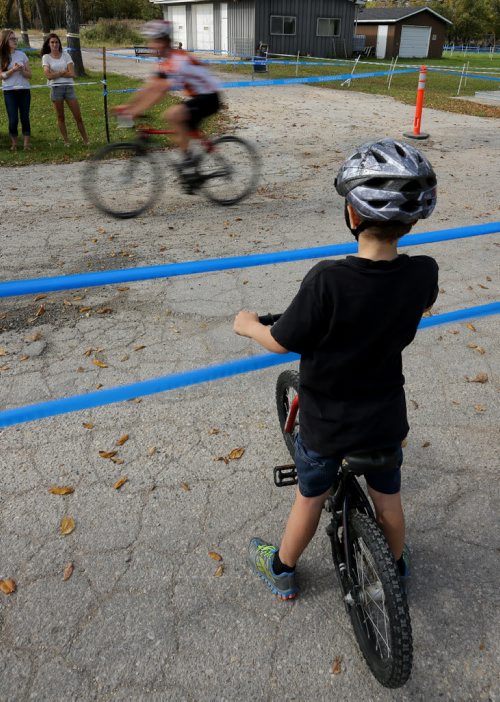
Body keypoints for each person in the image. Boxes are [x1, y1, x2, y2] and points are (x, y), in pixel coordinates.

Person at [234, 138, 439, 600]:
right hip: (385, 417)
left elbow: (280, 340)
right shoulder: (423, 272)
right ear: (411, 222)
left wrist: (248, 326)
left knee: (310, 496)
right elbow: (422, 305)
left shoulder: (328, 279)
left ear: (352, 214)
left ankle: (283, 569)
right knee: (388, 496)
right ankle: (396, 564)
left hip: (328, 424)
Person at [115, 20, 221, 175]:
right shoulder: (164, 62)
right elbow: (149, 87)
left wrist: (135, 111)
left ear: (164, 41)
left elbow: (160, 91)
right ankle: (191, 167)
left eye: (154, 41)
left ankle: (188, 161)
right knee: (179, 124)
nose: (150, 45)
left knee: (172, 115)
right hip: (198, 96)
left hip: (210, 97)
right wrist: (129, 106)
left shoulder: (177, 60)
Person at [41, 33, 89, 147]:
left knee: (78, 116)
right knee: (60, 116)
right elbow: (48, 75)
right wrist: (61, 72)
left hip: (69, 87)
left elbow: (72, 73)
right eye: (52, 42)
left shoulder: (66, 55)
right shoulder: (46, 57)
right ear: (48, 44)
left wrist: (56, 74)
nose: (55, 44)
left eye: (56, 42)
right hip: (56, 88)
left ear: (59, 43)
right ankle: (66, 141)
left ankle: (86, 140)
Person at [0, 29, 32, 150]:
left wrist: (22, 71)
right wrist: (12, 70)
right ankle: (14, 143)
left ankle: (26, 144)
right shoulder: (1, 56)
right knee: (13, 118)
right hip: (9, 92)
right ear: (5, 41)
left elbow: (30, 75)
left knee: (25, 117)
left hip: (24, 91)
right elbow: (1, 76)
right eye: (12, 39)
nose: (15, 41)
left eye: (15, 39)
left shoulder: (22, 55)